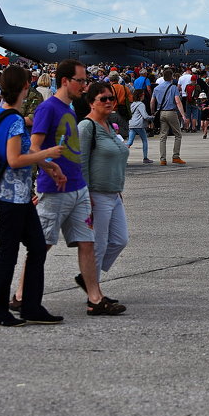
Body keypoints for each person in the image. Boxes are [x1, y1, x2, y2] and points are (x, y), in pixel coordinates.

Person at [17, 59, 125, 316]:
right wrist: (49, 168)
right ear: (65, 81)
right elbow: (33, 148)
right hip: (55, 190)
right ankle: (21, 296)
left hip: (77, 189)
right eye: (81, 81)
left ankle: (95, 298)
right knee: (41, 245)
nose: (84, 85)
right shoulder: (48, 108)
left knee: (88, 243)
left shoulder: (69, 109)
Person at [0, 65, 66, 326]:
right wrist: (48, 154)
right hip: (11, 197)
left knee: (36, 248)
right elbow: (14, 159)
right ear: (25, 86)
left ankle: (31, 306)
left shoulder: (3, 113)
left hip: (18, 196)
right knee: (8, 253)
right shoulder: (14, 119)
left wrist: (47, 165)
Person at [79, 82, 130, 298]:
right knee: (97, 245)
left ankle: (87, 277)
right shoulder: (86, 127)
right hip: (96, 195)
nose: (109, 102)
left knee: (119, 240)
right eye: (103, 98)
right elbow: (80, 162)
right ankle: (94, 292)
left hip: (114, 193)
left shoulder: (110, 126)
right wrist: (86, 195)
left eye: (111, 98)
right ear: (91, 102)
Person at [152, 68, 187, 165]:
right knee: (178, 135)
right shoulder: (173, 87)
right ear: (171, 77)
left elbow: (152, 102)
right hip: (171, 112)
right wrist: (183, 115)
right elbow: (177, 101)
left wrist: (153, 112)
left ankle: (163, 159)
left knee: (163, 136)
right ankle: (176, 156)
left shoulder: (157, 88)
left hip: (161, 112)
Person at [126, 87, 153, 164]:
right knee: (144, 140)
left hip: (131, 124)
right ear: (141, 95)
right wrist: (152, 117)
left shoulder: (132, 104)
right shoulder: (141, 104)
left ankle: (123, 158)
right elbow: (145, 116)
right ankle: (145, 158)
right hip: (139, 125)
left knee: (129, 142)